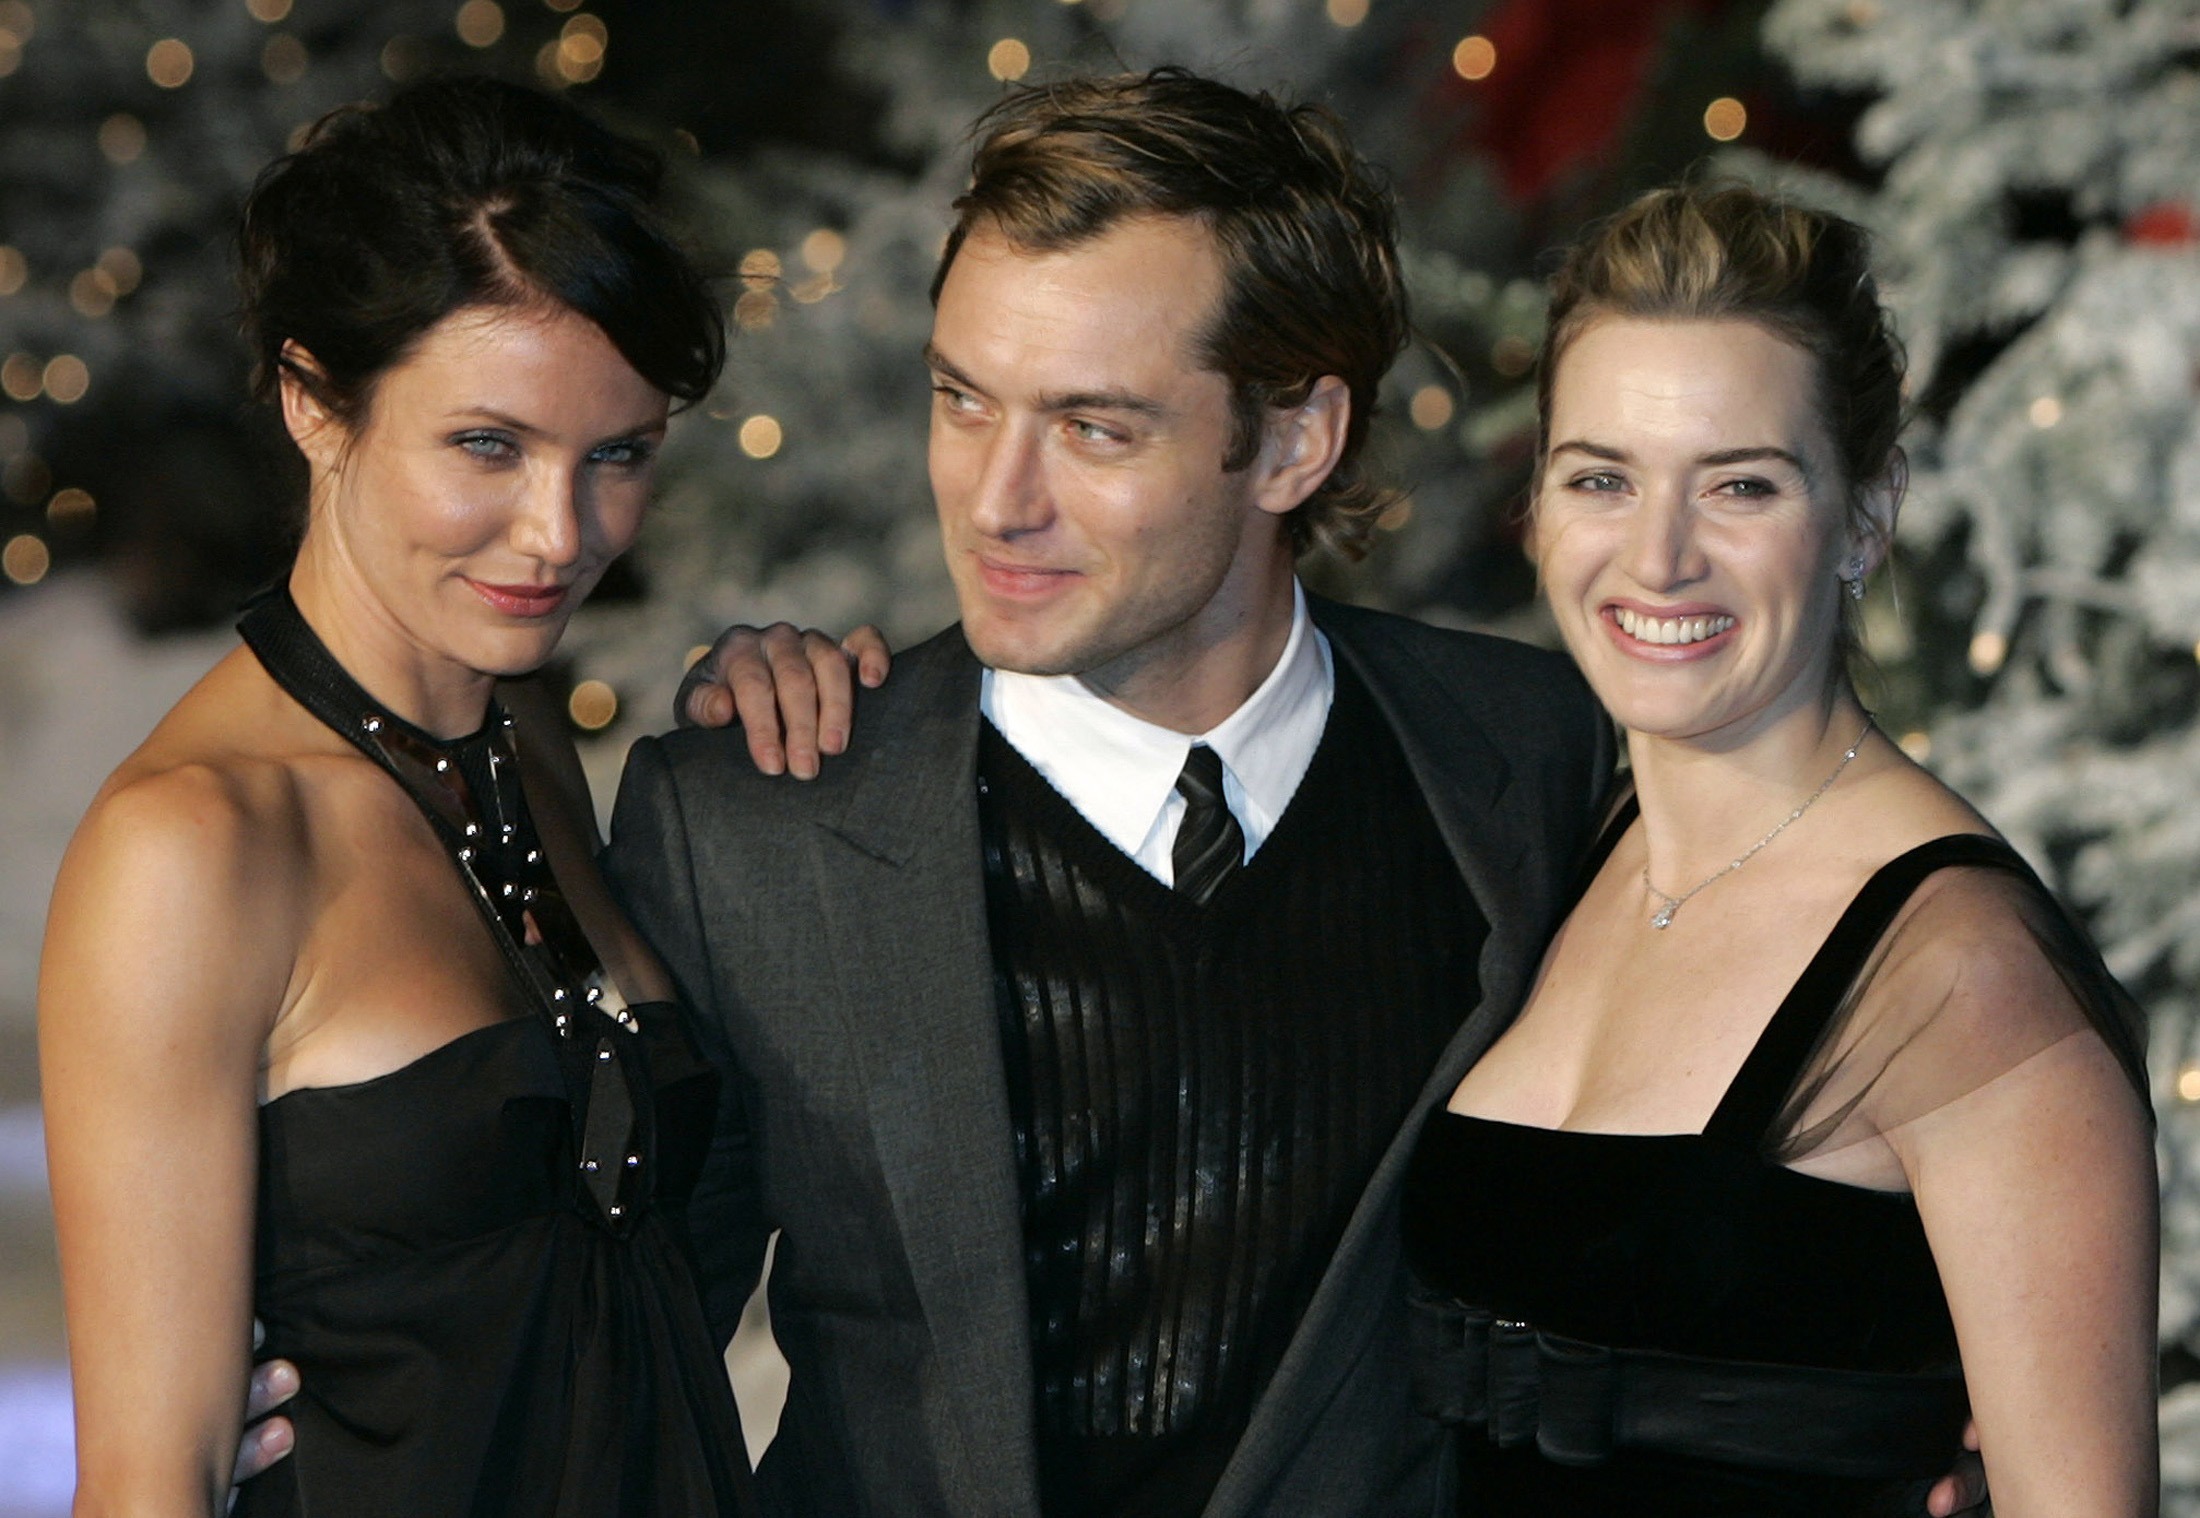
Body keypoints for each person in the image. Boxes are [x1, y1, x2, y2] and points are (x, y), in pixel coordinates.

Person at [39, 79, 768, 1515]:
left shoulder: (519, 736)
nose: (560, 534)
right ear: (314, 402)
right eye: (488, 444)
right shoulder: (195, 845)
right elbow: (146, 1481)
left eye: (617, 454)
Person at [1398, 180, 2157, 1514]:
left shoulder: (1959, 970)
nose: (1659, 557)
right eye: (1601, 479)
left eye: (1740, 485)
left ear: (1865, 516)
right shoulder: (1561, 846)